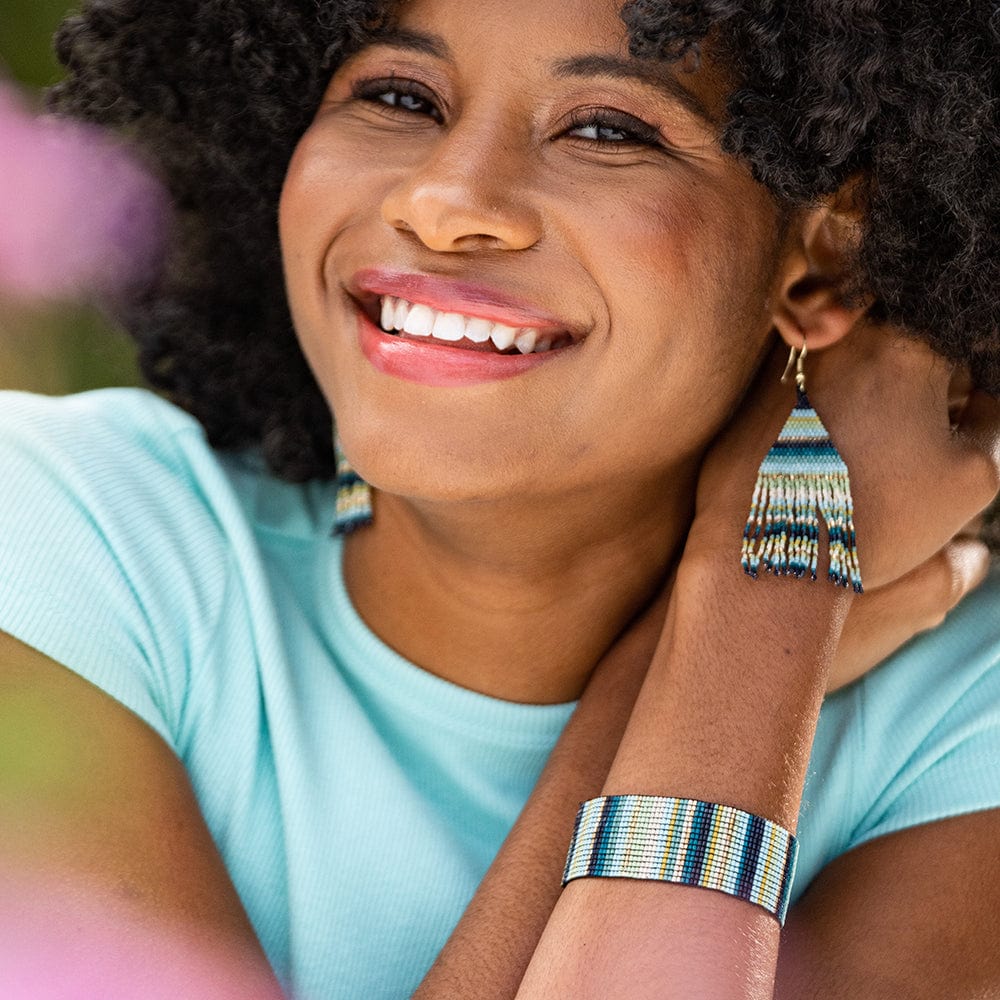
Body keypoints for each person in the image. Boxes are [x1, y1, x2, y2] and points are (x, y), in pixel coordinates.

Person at [1, 1, 999, 997]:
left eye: (607, 129)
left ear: (825, 261)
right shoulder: (65, 535)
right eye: (397, 95)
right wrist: (738, 627)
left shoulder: (962, 718)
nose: (445, 201)